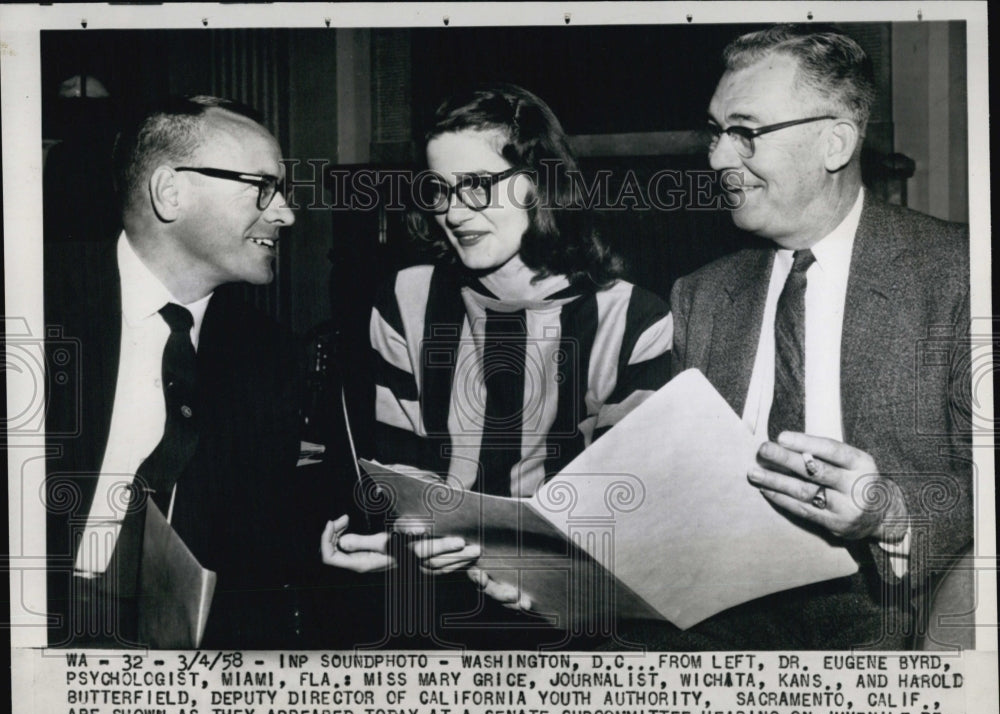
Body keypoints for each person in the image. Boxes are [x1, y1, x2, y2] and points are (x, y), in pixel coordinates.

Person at [633, 24, 971, 650]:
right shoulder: (700, 295)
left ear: (835, 142)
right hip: (714, 612)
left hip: (885, 608)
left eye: (746, 132)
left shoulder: (959, 274)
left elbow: (986, 478)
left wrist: (891, 510)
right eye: (716, 131)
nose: (717, 157)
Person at [322, 84, 674, 647]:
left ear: (542, 182)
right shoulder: (405, 300)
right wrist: (402, 538)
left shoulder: (633, 318)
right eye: (439, 190)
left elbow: (630, 511)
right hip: (433, 611)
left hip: (578, 620)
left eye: (478, 187)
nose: (454, 213)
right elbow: (400, 469)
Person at [44, 95, 311, 648]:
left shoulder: (269, 358)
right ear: (170, 192)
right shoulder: (37, 300)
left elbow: (252, 556)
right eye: (262, 186)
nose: (285, 212)